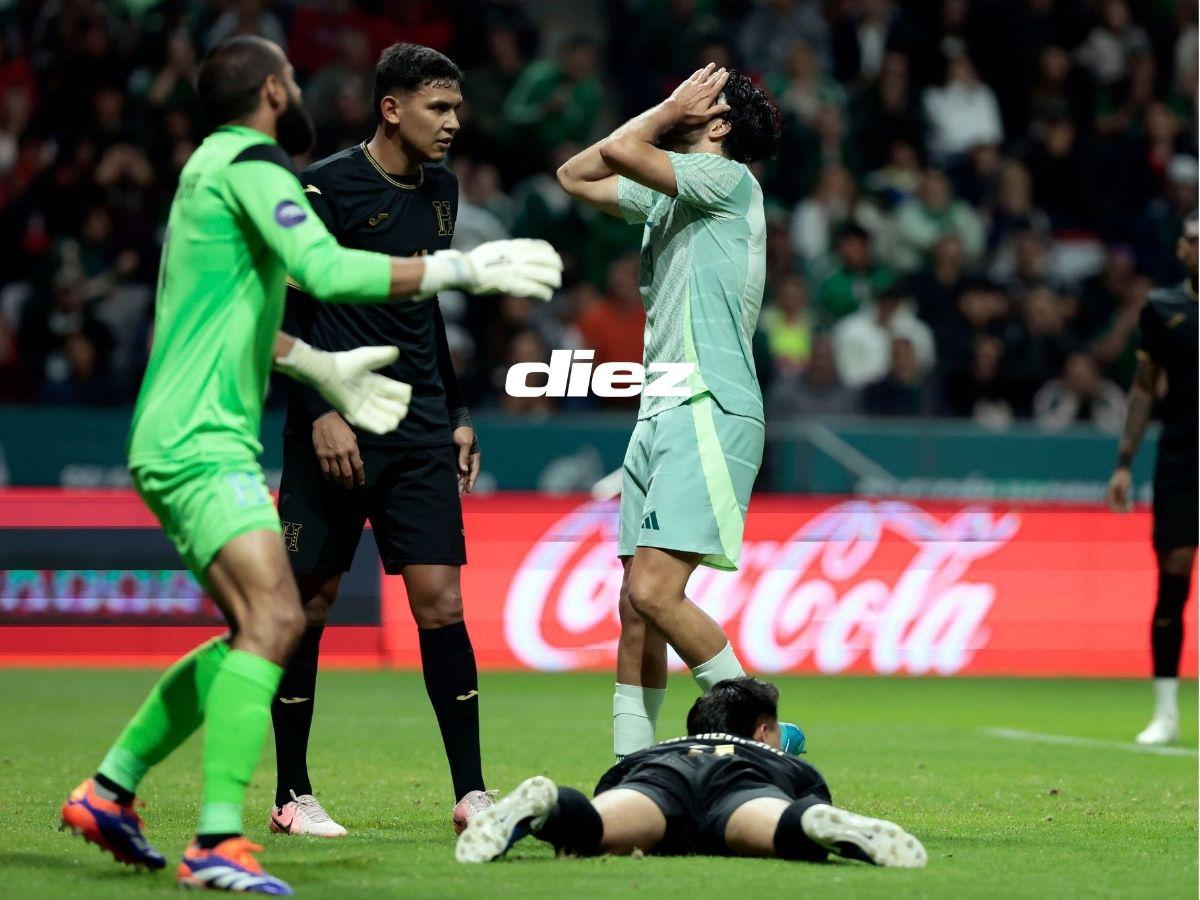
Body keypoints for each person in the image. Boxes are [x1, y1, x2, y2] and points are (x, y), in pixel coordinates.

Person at [58, 36, 561, 895]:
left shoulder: (212, 168)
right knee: (280, 617)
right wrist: (460, 268)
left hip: (271, 427)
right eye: (289, 79)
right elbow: (320, 272)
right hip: (202, 436)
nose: (300, 89)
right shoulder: (267, 170)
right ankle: (225, 834)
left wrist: (327, 369)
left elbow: (256, 319)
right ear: (270, 91)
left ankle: (109, 792)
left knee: (269, 622)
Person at [269, 42, 494, 839]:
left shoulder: (442, 191)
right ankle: (291, 793)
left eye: (457, 108)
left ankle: (472, 794)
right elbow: (283, 310)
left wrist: (457, 410)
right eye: (438, 107)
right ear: (391, 109)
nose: (453, 123)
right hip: (335, 423)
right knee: (309, 604)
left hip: (420, 425)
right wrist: (318, 410)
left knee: (442, 601)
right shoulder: (322, 188)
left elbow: (424, 305)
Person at [556, 64, 801, 761]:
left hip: (710, 404)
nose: (684, 99)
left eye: (702, 98)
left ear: (717, 124)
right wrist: (669, 114)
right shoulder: (670, 198)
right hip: (660, 409)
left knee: (656, 592)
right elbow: (574, 175)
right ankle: (632, 767)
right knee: (635, 608)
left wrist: (667, 109)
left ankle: (766, 735)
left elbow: (621, 149)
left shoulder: (729, 181)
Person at [455, 677, 926, 869]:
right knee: (784, 829)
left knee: (590, 831)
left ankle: (551, 806)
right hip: (743, 781)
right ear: (763, 730)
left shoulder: (668, 746)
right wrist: (808, 803)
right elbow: (808, 786)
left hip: (660, 773)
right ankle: (811, 826)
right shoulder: (767, 751)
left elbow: (614, 781)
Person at [1107, 212, 1198, 746]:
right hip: (1182, 459)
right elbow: (1145, 387)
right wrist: (1124, 461)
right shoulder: (1163, 308)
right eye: (1190, 241)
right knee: (1174, 575)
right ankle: (1166, 712)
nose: (1192, 248)